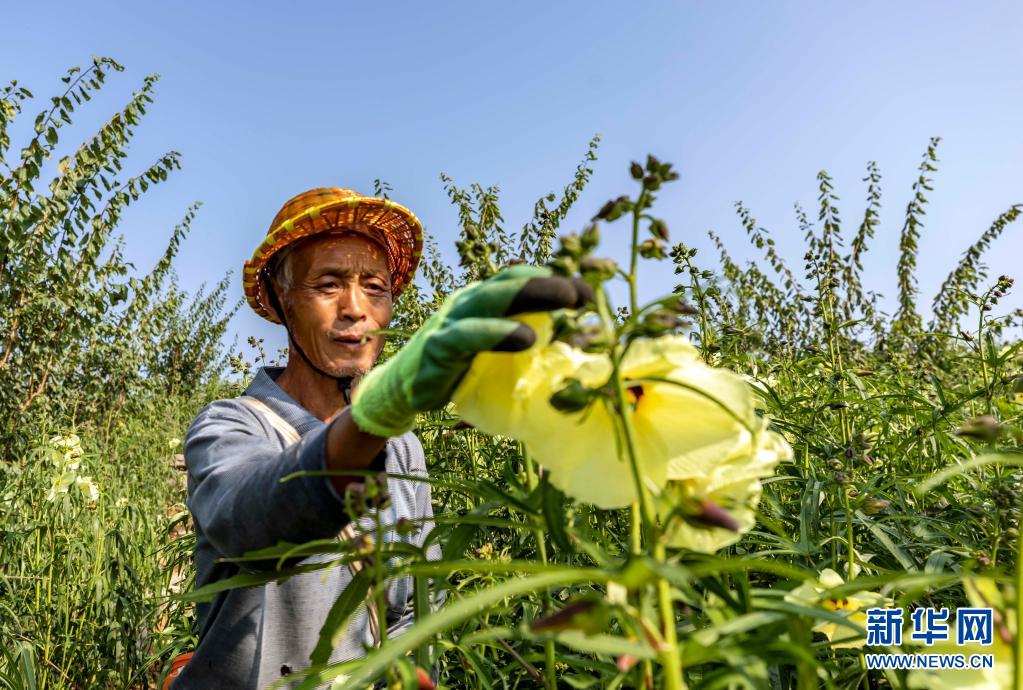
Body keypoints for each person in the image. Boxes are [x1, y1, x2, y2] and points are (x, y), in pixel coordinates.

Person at [169, 188, 590, 688]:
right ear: (285, 303)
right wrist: (379, 410)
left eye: (375, 287)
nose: (355, 308)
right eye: (328, 285)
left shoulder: (405, 447)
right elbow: (245, 516)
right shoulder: (231, 425)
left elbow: (415, 609)